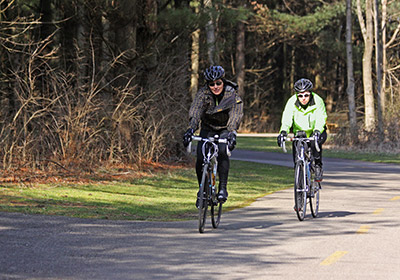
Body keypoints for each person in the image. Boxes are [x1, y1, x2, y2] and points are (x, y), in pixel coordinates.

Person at [183, 65, 243, 206]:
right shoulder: (203, 93)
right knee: (200, 156)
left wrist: (232, 132)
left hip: (224, 128)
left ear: (223, 81)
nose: (215, 87)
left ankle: (222, 188)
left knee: (222, 152)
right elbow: (196, 110)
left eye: (218, 83)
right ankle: (202, 190)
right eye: (212, 84)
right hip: (208, 128)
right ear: (207, 85)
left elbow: (235, 114)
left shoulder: (231, 93)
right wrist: (191, 129)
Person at [277, 78, 328, 182]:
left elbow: (321, 117)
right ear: (297, 95)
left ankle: (318, 166)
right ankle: (300, 181)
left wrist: (317, 130)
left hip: (317, 131)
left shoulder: (318, 100)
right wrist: (283, 132)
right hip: (300, 133)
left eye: (306, 95)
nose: (303, 98)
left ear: (310, 94)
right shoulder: (291, 102)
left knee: (315, 143)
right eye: (300, 95)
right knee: (297, 158)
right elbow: (287, 118)